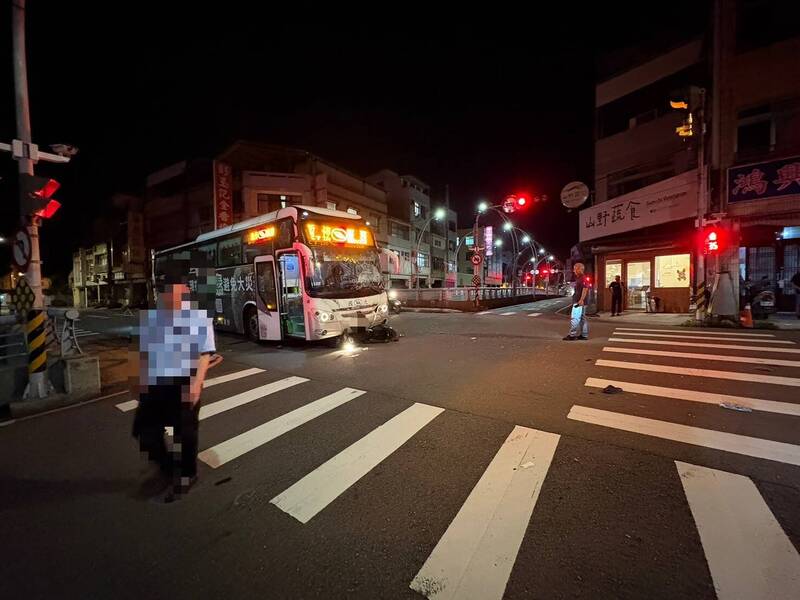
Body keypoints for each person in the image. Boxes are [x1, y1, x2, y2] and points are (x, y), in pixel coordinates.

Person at [131, 266, 220, 500]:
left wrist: (196, 384)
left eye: (176, 290)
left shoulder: (199, 317)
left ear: (186, 290)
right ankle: (167, 466)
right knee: (144, 429)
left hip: (185, 379)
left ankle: (187, 474)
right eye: (167, 291)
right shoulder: (155, 317)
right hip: (158, 380)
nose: (171, 295)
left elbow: (204, 354)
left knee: (185, 431)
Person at [564, 262, 592, 341]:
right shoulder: (579, 278)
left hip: (579, 302)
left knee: (575, 318)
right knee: (582, 318)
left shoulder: (582, 278)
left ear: (580, 269)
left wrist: (581, 300)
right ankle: (584, 335)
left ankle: (572, 335)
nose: (574, 271)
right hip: (581, 301)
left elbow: (585, 289)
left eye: (575, 269)